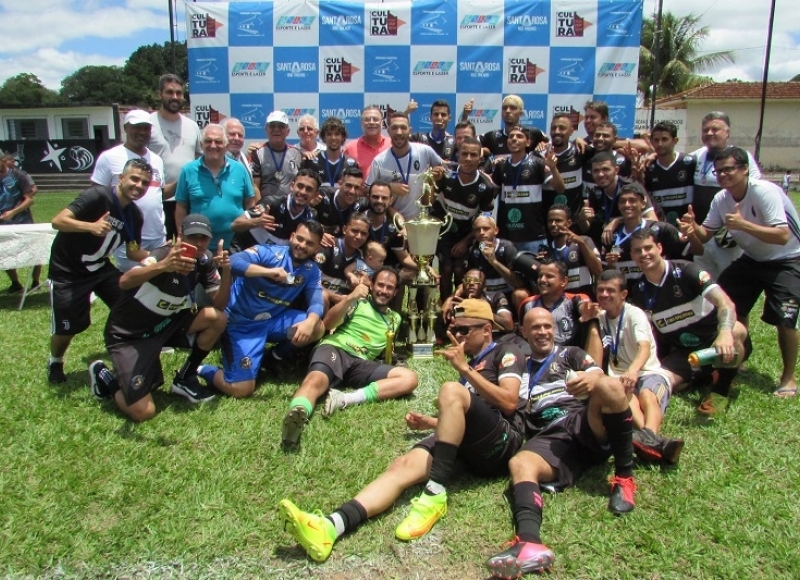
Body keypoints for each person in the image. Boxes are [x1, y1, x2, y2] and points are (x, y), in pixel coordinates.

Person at [279, 299, 525, 559]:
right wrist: (431, 423)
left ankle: (435, 491)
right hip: (471, 444)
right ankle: (331, 526)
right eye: (457, 329)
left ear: (487, 330)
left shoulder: (506, 351)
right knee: (401, 466)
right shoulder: (473, 364)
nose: (457, 336)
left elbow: (509, 402)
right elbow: (467, 420)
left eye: (465, 331)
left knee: (451, 391)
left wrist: (463, 368)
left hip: (502, 444)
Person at [484, 308, 635, 578]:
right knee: (519, 463)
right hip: (550, 437)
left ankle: (624, 478)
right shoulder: (517, 367)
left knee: (610, 386)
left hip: (583, 420)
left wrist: (591, 379)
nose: (542, 332)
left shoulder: (570, 354)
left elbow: (599, 375)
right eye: (536, 328)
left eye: (547, 326)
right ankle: (529, 543)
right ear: (523, 332)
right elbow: (499, 403)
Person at [680, 146, 800, 400]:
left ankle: (788, 376)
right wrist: (693, 229)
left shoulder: (764, 192)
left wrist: (743, 224)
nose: (723, 175)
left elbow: (782, 235)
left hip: (788, 258)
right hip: (753, 258)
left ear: (745, 169)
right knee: (727, 301)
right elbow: (706, 235)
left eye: (728, 169)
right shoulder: (722, 199)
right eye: (718, 171)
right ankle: (740, 352)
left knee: (785, 318)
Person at [88, 214, 230, 421]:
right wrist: (164, 266)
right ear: (180, 236)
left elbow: (219, 304)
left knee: (217, 318)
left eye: (204, 238)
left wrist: (226, 271)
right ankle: (104, 375)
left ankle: (186, 377)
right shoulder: (163, 253)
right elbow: (125, 281)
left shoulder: (204, 260)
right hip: (130, 335)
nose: (199, 244)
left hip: (166, 325)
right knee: (143, 412)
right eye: (193, 237)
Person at [281, 267, 417, 449]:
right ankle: (297, 415)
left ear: (395, 292)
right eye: (380, 285)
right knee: (315, 380)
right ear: (372, 284)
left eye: (389, 287)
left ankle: (344, 399)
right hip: (336, 349)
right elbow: (327, 324)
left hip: (361, 362)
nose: (384, 291)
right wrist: (350, 297)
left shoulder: (395, 319)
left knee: (409, 378)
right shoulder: (357, 304)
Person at [47, 158, 151, 384]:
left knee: (131, 305)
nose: (139, 185)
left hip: (100, 269)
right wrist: (91, 226)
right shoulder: (97, 197)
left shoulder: (134, 215)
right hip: (68, 270)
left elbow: (133, 252)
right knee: (68, 327)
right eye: (134, 178)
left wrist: (163, 255)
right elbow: (58, 221)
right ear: (121, 178)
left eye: (145, 183)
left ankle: (129, 349)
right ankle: (55, 361)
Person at [197, 221, 326, 399]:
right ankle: (204, 369)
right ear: (292, 237)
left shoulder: (311, 271)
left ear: (316, 248)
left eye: (309, 243)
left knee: (317, 327)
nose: (302, 245)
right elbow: (234, 262)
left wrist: (310, 323)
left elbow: (316, 302)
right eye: (300, 239)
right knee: (241, 389)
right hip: (240, 324)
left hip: (272, 322)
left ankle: (272, 357)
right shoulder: (268, 252)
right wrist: (266, 272)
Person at [627, 229, 750, 414]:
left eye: (648, 248)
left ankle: (720, 393)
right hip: (686, 353)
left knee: (737, 330)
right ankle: (705, 375)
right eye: (637, 251)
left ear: (659, 248)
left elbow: (725, 303)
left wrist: (724, 332)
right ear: (632, 255)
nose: (643, 254)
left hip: (715, 342)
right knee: (660, 381)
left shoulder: (686, 270)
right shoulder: (639, 291)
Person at [593, 269, 684, 464]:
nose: (604, 295)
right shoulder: (599, 318)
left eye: (610, 290)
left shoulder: (635, 315)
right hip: (620, 378)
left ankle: (648, 439)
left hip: (648, 372)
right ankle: (654, 444)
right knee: (627, 399)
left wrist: (633, 370)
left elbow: (644, 348)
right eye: (600, 290)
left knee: (647, 396)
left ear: (623, 294)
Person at [90, 109, 166, 272]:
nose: (142, 132)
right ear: (126, 128)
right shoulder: (109, 157)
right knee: (131, 285)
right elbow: (97, 198)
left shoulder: (157, 160)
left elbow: (159, 194)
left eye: (146, 128)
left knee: (157, 285)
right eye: (136, 127)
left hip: (158, 235)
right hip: (127, 237)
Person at [691, 111, 761, 279]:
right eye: (705, 130)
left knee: (730, 281)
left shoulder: (740, 157)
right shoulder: (696, 156)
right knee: (704, 284)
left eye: (715, 129)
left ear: (727, 132)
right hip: (702, 233)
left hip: (727, 237)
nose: (709, 133)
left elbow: (754, 191)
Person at [430, 136, 497, 297]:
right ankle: (445, 312)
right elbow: (429, 201)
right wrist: (432, 181)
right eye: (464, 154)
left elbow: (483, 219)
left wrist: (466, 242)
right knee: (445, 270)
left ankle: (462, 310)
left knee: (461, 271)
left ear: (480, 158)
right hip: (443, 230)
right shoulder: (445, 174)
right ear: (457, 155)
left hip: (467, 233)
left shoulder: (486, 186)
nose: (468, 159)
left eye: (473, 155)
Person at [174, 124, 255, 250]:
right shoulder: (188, 170)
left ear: (226, 146)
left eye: (218, 142)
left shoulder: (240, 169)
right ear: (201, 145)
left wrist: (251, 233)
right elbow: (181, 207)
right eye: (208, 141)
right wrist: (181, 235)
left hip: (236, 244)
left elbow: (250, 203)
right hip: (199, 245)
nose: (213, 145)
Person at [601, 182, 698, 282]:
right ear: (618, 205)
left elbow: (698, 251)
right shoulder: (610, 235)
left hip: (658, 292)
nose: (627, 204)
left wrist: (691, 236)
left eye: (632, 200)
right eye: (623, 201)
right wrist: (610, 264)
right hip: (627, 295)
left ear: (643, 204)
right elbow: (604, 275)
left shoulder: (661, 229)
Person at [491, 125, 565, 252]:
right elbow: (492, 193)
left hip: (533, 236)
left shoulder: (537, 163)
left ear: (528, 142)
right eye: (511, 136)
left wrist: (553, 168)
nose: (514, 139)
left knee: (536, 270)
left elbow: (560, 188)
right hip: (507, 235)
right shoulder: (501, 165)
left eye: (519, 136)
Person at [148, 73, 202, 241]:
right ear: (160, 94)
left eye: (179, 93)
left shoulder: (192, 126)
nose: (175, 97)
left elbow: (200, 158)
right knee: (161, 248)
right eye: (169, 92)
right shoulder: (148, 124)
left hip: (187, 199)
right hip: (157, 199)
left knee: (188, 245)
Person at [518, 260, 603, 364]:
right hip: (539, 360)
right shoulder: (527, 304)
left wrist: (586, 310)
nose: (542, 280)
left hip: (570, 360)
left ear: (564, 281)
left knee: (593, 323)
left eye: (549, 276)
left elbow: (584, 306)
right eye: (540, 276)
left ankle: (594, 373)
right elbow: (522, 334)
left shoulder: (574, 300)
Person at [368, 111, 443, 220]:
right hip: (392, 221)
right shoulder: (379, 161)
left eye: (403, 127)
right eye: (394, 128)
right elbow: (367, 190)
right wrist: (389, 187)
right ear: (388, 131)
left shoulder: (425, 151)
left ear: (410, 131)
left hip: (420, 221)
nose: (399, 132)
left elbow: (443, 168)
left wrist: (437, 173)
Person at [230, 169, 320, 250]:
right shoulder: (271, 203)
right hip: (244, 250)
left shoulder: (311, 216)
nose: (303, 192)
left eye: (309, 189)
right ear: (292, 186)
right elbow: (235, 225)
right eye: (300, 186)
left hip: (273, 260)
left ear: (315, 195)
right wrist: (257, 222)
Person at [532, 204, 602, 297]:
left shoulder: (584, 241)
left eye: (558, 220)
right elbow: (539, 290)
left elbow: (599, 271)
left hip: (583, 300)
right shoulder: (545, 251)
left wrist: (582, 245)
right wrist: (539, 267)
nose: (553, 224)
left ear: (569, 223)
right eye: (550, 221)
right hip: (558, 304)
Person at [0, 152, 40, 292]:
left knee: (34, 251)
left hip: (22, 221)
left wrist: (13, 212)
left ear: (2, 161)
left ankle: (35, 282)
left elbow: (30, 199)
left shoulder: (18, 176)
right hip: (2, 225)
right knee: (4, 253)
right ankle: (15, 283)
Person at [643, 121, 695, 225]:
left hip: (687, 227)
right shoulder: (648, 167)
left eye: (664, 139)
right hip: (661, 228)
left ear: (675, 140)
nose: (660, 144)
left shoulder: (690, 163)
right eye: (656, 140)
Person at [540, 113, 589, 219]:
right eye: (553, 128)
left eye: (562, 128)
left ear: (571, 131)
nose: (557, 131)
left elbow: (606, 146)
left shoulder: (580, 151)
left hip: (574, 222)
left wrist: (579, 139)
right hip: (547, 222)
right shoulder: (540, 155)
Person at [316, 212, 368, 308]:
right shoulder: (328, 246)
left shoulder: (361, 258)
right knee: (323, 298)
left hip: (340, 304)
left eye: (363, 233)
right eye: (355, 231)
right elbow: (312, 282)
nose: (359, 236)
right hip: (318, 298)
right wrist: (336, 298)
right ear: (344, 229)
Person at [440, 269, 514, 334]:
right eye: (467, 280)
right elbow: (448, 327)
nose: (471, 283)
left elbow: (509, 326)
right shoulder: (458, 302)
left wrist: (478, 308)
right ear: (463, 285)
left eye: (477, 281)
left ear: (484, 287)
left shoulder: (496, 297)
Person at [250, 111, 304, 199]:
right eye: (272, 126)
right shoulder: (257, 153)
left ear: (288, 131)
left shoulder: (297, 153)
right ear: (266, 129)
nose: (276, 129)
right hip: (266, 208)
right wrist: (260, 210)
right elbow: (255, 187)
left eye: (281, 126)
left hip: (290, 208)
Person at [480, 94, 546, 160]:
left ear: (521, 113)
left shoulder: (533, 133)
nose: (508, 111)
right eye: (504, 108)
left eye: (513, 108)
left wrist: (543, 145)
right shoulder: (492, 136)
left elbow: (550, 145)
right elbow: (472, 144)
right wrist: (483, 150)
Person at [313, 166, 367, 240]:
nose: (352, 191)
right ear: (340, 184)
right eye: (348, 186)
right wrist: (308, 204)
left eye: (357, 188)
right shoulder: (321, 196)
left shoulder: (361, 204)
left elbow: (380, 204)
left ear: (361, 190)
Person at [303, 117, 358, 188]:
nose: (333, 138)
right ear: (323, 137)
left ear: (343, 137)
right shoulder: (312, 162)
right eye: (329, 134)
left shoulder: (351, 163)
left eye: (337, 134)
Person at [342, 105, 390, 179]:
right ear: (361, 123)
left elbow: (396, 171)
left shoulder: (391, 145)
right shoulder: (350, 148)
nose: (371, 122)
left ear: (382, 122)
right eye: (367, 119)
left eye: (375, 119)